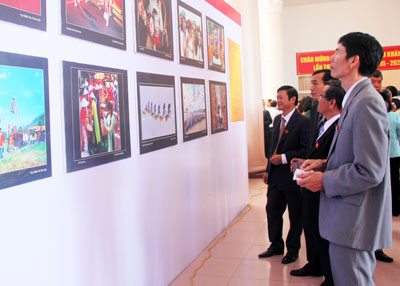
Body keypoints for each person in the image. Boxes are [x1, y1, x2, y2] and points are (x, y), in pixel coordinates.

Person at [296, 32, 392, 286]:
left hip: (354, 222)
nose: (331, 57)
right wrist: (324, 164)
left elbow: (370, 171)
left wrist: (325, 180)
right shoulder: (355, 99)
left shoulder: (366, 102)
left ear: (353, 60)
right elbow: (356, 154)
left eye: (337, 51)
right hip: (346, 220)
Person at [291, 80, 344, 286]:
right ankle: (316, 265)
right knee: (311, 229)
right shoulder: (323, 122)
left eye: (321, 96)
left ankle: (330, 278)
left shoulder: (340, 126)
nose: (316, 99)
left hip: (324, 188)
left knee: (324, 235)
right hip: (312, 185)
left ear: (331, 102)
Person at [258, 86, 309, 265]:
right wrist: (267, 169)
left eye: (281, 98)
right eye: (277, 98)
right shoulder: (278, 119)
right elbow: (273, 147)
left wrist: (285, 158)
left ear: (293, 99)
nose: (278, 101)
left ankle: (293, 249)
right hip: (275, 176)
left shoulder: (303, 122)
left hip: (292, 177)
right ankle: (276, 245)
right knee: (272, 210)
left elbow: (305, 150)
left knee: (295, 215)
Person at [368, 70, 395, 263]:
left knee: (382, 206)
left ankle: (379, 248)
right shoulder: (362, 100)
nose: (376, 84)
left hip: (384, 157)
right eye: (373, 81)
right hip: (367, 161)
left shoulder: (384, 100)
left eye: (379, 81)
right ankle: (370, 247)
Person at [380, 89, 400, 217]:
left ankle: (385, 209)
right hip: (394, 152)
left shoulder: (376, 115)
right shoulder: (394, 116)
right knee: (395, 181)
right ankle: (396, 209)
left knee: (384, 183)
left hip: (381, 154)